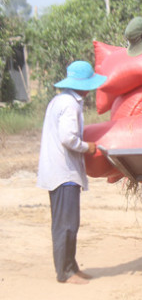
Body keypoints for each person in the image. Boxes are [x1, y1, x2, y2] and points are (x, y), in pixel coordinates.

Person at [37, 61, 107, 285]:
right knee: (66, 225)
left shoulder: (60, 100)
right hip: (64, 172)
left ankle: (71, 267)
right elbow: (68, 138)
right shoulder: (70, 105)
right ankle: (65, 272)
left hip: (59, 170)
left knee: (68, 223)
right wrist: (88, 147)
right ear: (83, 85)